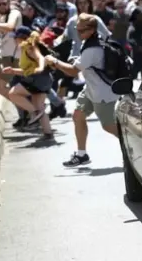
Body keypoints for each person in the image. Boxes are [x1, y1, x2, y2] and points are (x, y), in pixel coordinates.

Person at [44, 14, 120, 167]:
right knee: (78, 115)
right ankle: (81, 155)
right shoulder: (88, 42)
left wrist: (55, 62)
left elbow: (73, 71)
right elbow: (80, 63)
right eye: (77, 30)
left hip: (102, 92)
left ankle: (134, 142)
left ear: (92, 30)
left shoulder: (93, 49)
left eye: (81, 31)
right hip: (91, 89)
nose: (78, 33)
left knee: (108, 126)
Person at [3, 26, 54, 141]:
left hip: (37, 80)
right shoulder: (25, 49)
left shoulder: (29, 47)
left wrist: (41, 67)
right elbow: (27, 71)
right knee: (40, 108)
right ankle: (48, 134)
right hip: (43, 80)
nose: (14, 40)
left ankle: (34, 112)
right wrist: (12, 70)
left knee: (12, 93)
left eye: (16, 38)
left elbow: (40, 58)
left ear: (21, 38)